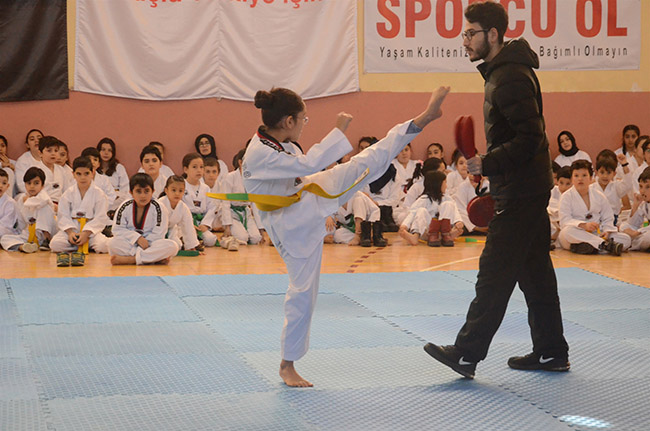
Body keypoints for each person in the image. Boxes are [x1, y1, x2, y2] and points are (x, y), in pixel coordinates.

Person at [240, 86, 448, 387]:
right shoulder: (261, 152)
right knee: (303, 291)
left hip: (306, 197)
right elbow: (310, 163)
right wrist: (338, 130)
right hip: (290, 224)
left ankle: (421, 120)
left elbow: (305, 170)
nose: (304, 124)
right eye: (303, 119)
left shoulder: (277, 142)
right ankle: (287, 365)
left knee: (363, 164)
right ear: (289, 121)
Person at [423, 2, 569, 379]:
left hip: (522, 191)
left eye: (470, 33)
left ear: (492, 34)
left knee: (494, 271)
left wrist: (486, 163)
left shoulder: (510, 77)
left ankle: (466, 353)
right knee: (535, 272)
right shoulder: (501, 73)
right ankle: (551, 352)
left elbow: (530, 138)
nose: (464, 41)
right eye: (463, 34)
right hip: (525, 186)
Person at [558, 160, 629, 255]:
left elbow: (608, 217)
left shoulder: (599, 195)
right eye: (576, 176)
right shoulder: (566, 197)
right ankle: (604, 245)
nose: (580, 179)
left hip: (596, 233)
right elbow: (565, 221)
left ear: (591, 178)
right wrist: (584, 225)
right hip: (576, 233)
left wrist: (607, 231)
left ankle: (588, 247)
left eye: (584, 175)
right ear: (572, 179)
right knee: (567, 232)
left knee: (626, 239)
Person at [50, 157, 110, 266]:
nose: (83, 177)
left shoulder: (99, 194)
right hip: (72, 229)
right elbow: (63, 216)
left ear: (92, 173)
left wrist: (86, 234)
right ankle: (78, 244)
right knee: (55, 244)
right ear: (73, 174)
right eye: (79, 174)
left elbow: (100, 218)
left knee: (103, 246)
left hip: (90, 232)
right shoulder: (68, 193)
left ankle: (78, 245)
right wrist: (70, 233)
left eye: (86, 173)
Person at [109, 173, 179, 265]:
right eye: (138, 191)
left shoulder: (159, 208)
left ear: (153, 191)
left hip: (151, 244)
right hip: (131, 243)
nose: (143, 196)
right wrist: (137, 238)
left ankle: (131, 260)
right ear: (131, 192)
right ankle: (152, 258)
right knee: (112, 243)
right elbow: (117, 229)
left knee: (172, 246)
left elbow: (159, 234)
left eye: (146, 191)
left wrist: (145, 243)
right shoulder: (125, 206)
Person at [399, 170, 463, 247]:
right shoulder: (423, 199)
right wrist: (405, 225)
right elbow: (412, 213)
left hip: (443, 231)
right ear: (438, 185)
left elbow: (455, 210)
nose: (446, 186)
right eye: (445, 183)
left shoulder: (447, 198)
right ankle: (415, 236)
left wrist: (458, 221)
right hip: (428, 232)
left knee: (448, 204)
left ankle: (447, 234)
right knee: (421, 211)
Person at [1, 167, 56, 253]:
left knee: (45, 207)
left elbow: (39, 202)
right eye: (29, 183)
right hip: (29, 233)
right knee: (5, 238)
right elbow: (20, 221)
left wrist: (27, 200)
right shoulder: (22, 199)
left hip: (42, 233)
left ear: (42, 185)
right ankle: (23, 247)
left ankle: (46, 240)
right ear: (25, 185)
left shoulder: (44, 198)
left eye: (36, 183)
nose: (32, 186)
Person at [181, 153, 220, 248]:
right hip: (186, 222)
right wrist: (190, 224)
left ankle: (198, 240)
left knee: (210, 240)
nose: (199, 170)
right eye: (194, 167)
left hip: (200, 222)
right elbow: (179, 208)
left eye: (201, 167)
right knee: (186, 239)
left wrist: (205, 224)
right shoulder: (181, 186)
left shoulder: (205, 188)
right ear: (186, 169)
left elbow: (211, 208)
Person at [158, 175, 201, 252]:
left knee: (178, 245)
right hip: (156, 232)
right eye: (173, 190)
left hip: (171, 230)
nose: (177, 193)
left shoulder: (183, 207)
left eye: (180, 191)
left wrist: (191, 246)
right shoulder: (160, 204)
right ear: (166, 190)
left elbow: (188, 227)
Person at [619, 167, 650, 251]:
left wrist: (638, 232)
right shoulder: (644, 204)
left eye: (648, 187)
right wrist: (636, 205)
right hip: (642, 234)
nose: (642, 191)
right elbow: (633, 224)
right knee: (623, 225)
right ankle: (631, 242)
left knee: (647, 237)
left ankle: (629, 244)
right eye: (641, 186)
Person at [36, 136, 74, 205]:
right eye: (49, 151)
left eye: (56, 151)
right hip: (42, 205)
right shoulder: (36, 170)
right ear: (40, 153)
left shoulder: (61, 170)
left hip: (60, 205)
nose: (53, 153)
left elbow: (67, 191)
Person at [97, 137, 130, 211]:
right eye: (103, 150)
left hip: (116, 202)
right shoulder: (94, 169)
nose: (106, 153)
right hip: (99, 201)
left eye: (109, 150)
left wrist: (116, 195)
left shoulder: (119, 168)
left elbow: (126, 189)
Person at [14, 129, 43, 194]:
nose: (36, 141)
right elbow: (21, 184)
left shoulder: (49, 157)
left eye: (39, 138)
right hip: (29, 193)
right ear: (27, 145)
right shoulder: (22, 160)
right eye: (32, 139)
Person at [0, 170, 18, 240]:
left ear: (7, 186)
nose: (0, 186)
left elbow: (6, 225)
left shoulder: (10, 203)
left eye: (4, 183)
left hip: (5, 232)